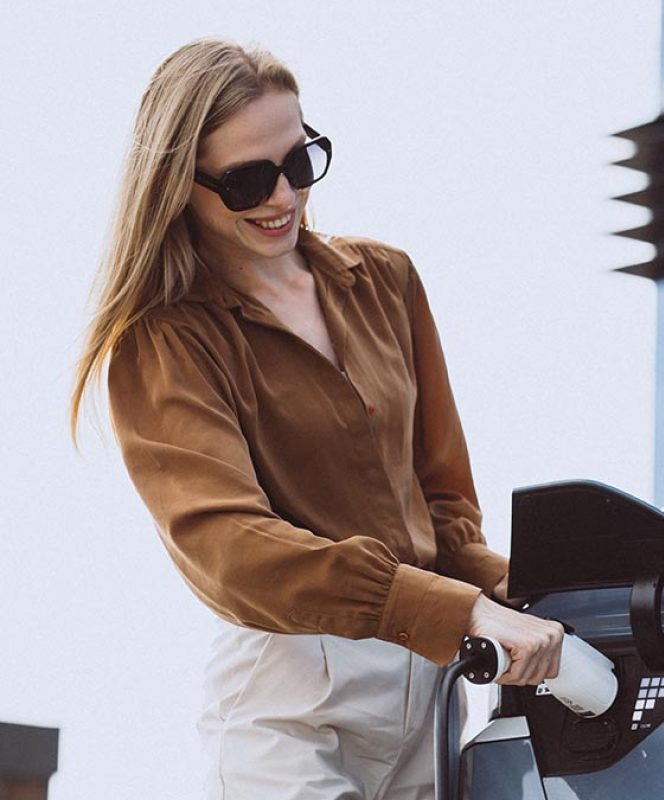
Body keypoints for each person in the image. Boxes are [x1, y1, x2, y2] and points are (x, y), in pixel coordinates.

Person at [70, 38, 563, 799]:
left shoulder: (387, 282)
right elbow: (230, 549)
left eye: (299, 163)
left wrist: (533, 595)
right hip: (290, 702)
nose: (282, 197)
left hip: (430, 690)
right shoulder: (165, 343)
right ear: (179, 187)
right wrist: (450, 607)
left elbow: (442, 505)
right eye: (245, 182)